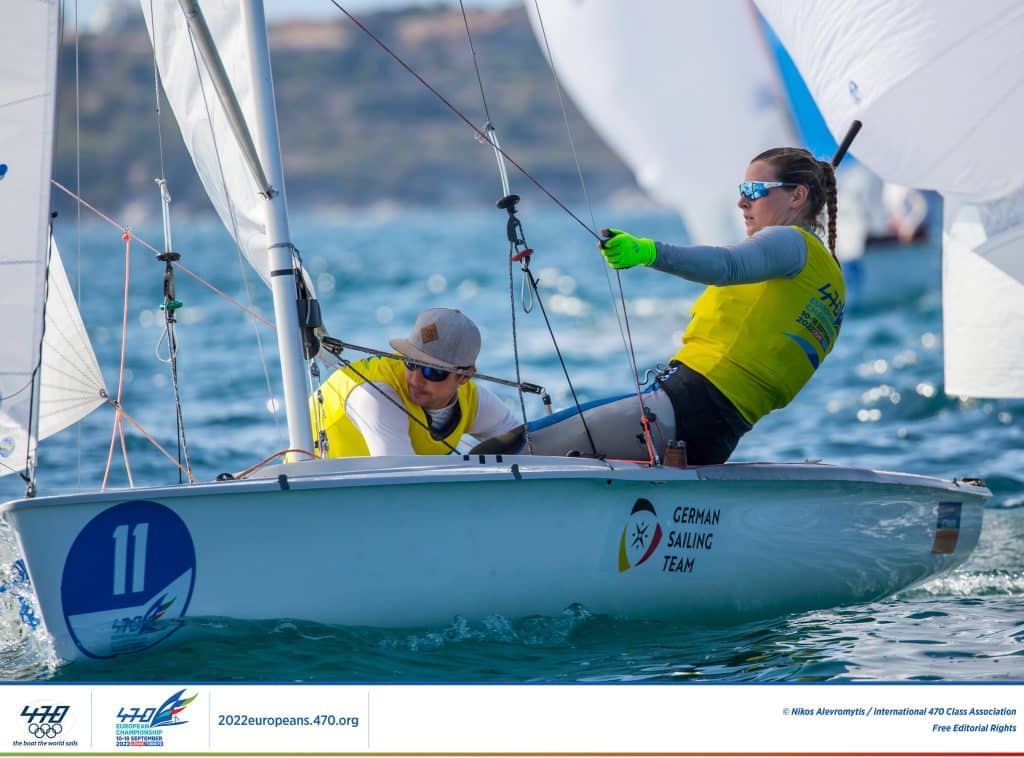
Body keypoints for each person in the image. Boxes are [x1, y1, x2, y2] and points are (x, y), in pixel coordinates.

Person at [482, 146, 845, 465]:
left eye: (754, 191)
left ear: (797, 197)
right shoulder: (830, 280)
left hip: (683, 409)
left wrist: (647, 252)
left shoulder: (791, 242)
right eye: (741, 191)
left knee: (513, 450)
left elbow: (726, 265)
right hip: (716, 435)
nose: (742, 202)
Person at [312, 307, 519, 456]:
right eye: (410, 363)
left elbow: (530, 449)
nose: (415, 378)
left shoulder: (472, 400)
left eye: (433, 371)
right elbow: (402, 485)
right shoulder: (375, 396)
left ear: (464, 376)